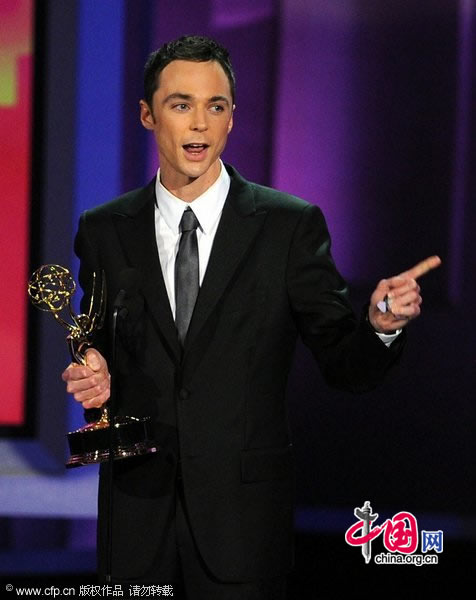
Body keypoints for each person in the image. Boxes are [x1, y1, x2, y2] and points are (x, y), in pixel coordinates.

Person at [62, 35, 440, 599]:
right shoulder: (104, 229)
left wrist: (381, 328)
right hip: (137, 522)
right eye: (180, 104)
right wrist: (92, 377)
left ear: (232, 118)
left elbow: (345, 363)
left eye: (215, 107)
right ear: (147, 114)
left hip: (242, 527)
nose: (199, 125)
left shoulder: (287, 228)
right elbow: (96, 347)